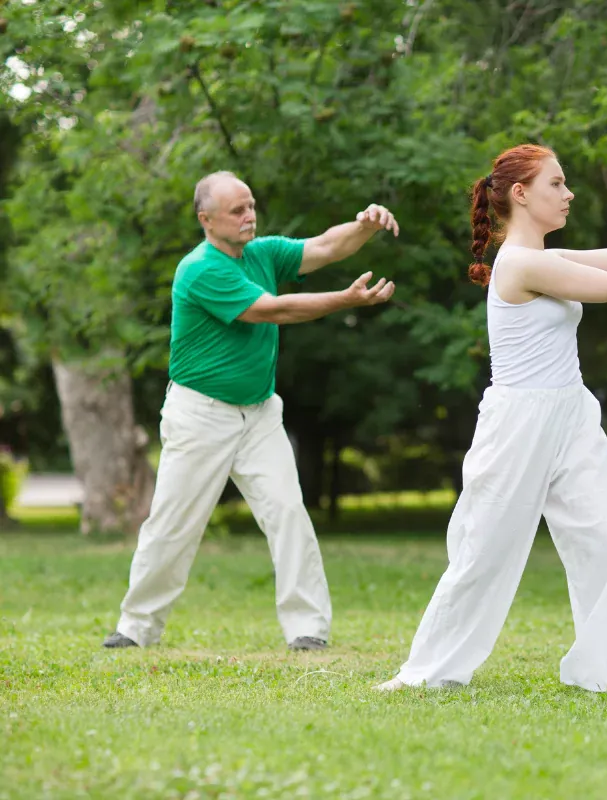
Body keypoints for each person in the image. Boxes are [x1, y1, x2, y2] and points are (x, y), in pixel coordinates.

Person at [374, 144, 607, 696]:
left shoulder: (548, 257)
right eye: (557, 183)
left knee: (603, 537)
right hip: (518, 423)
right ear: (521, 194)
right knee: (485, 549)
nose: (569, 192)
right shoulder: (524, 263)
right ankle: (428, 671)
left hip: (571, 413)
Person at [102, 171, 399, 652]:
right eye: (237, 210)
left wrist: (365, 225)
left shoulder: (261, 254)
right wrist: (345, 301)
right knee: (173, 526)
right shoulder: (200, 269)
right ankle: (137, 628)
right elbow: (273, 310)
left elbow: (323, 247)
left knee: (288, 513)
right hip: (200, 416)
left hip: (259, 414)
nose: (249, 216)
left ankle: (308, 630)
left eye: (251, 205)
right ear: (207, 219)